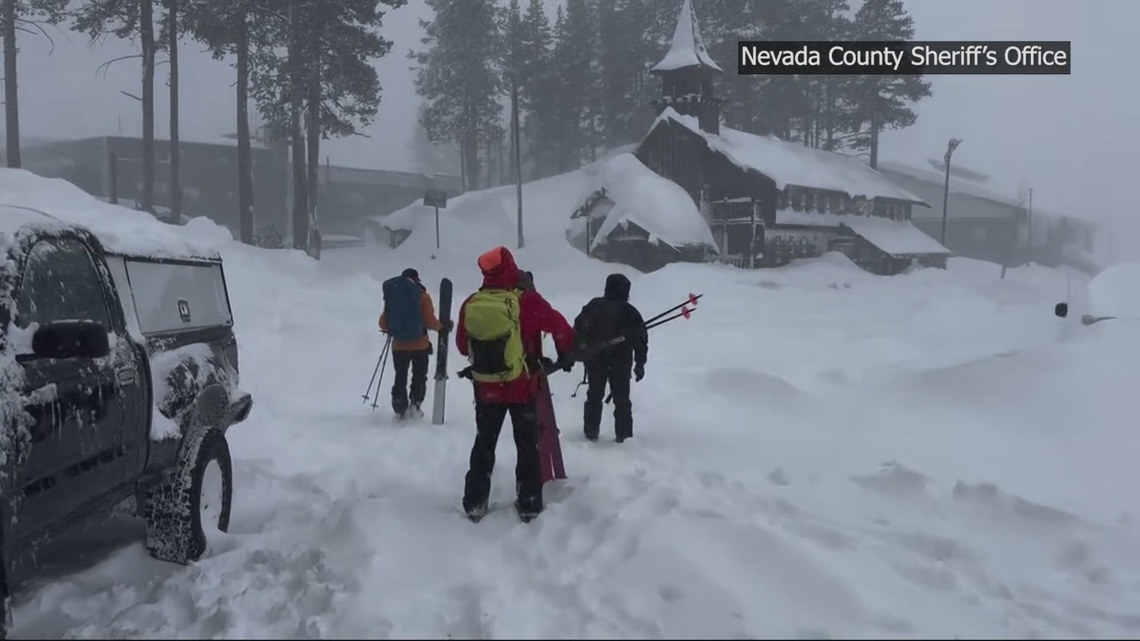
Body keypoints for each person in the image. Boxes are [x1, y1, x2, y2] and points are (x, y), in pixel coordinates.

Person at [456, 247, 575, 522]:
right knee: (526, 444)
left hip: (486, 389)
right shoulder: (528, 302)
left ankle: (475, 502)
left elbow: (463, 346)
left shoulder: (473, 302)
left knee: (484, 442)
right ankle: (529, 503)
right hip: (522, 387)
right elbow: (560, 327)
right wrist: (564, 352)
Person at [573, 273, 648, 443]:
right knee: (621, 400)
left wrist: (578, 351)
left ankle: (590, 433)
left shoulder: (593, 306)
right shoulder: (629, 311)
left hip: (595, 360)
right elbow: (640, 339)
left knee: (594, 396)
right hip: (621, 362)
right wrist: (640, 364)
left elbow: (578, 330)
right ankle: (624, 436)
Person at [379, 268, 451, 419]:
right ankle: (415, 404)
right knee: (419, 376)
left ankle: (399, 404)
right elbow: (430, 321)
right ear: (416, 280)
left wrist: (394, 329)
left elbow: (383, 323)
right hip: (420, 345)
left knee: (400, 374)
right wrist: (442, 328)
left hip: (399, 346)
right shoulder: (422, 296)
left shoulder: (393, 297)